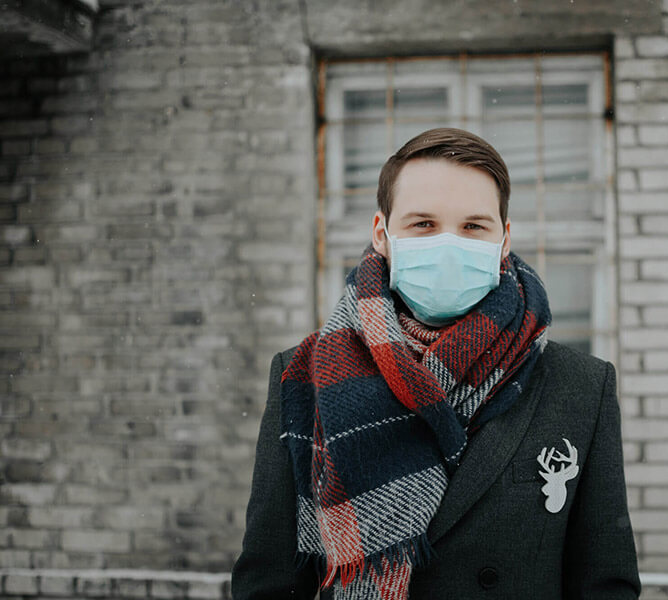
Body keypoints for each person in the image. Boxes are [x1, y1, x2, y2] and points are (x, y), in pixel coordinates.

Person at [231, 128, 641, 599]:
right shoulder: (305, 376)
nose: (449, 246)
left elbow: (605, 585)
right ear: (382, 235)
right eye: (423, 224)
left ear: (504, 240)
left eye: (473, 227)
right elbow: (268, 584)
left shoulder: (580, 387)